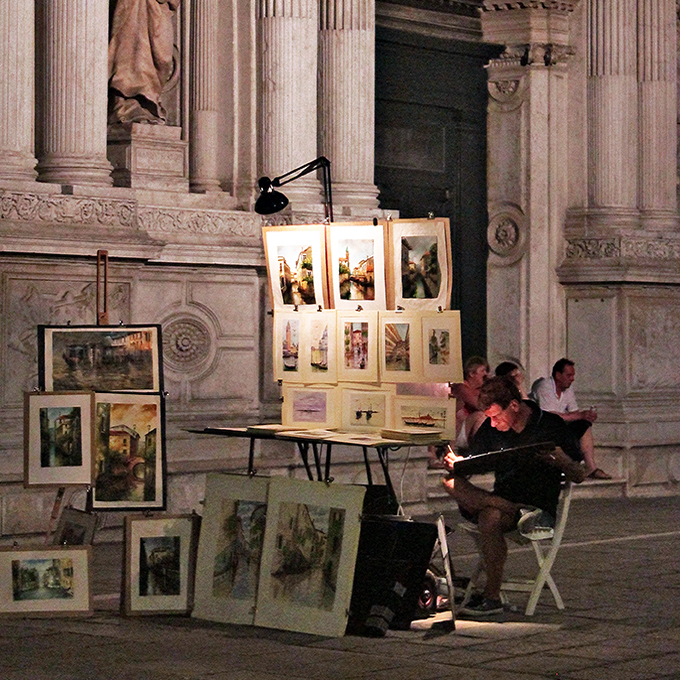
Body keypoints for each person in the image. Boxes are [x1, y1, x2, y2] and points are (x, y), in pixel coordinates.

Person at [442, 376, 585, 616]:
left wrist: (562, 460)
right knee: (449, 482)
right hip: (504, 502)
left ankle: (491, 597)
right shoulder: (492, 427)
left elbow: (580, 474)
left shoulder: (550, 425)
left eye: (497, 417)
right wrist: (457, 463)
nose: (494, 423)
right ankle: (507, 506)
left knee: (489, 517)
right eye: (489, 418)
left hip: (536, 510)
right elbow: (475, 463)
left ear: (515, 406)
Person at [532, 358, 611, 480]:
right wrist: (579, 415)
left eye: (573, 375)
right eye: (569, 375)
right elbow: (549, 417)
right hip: (544, 430)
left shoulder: (568, 389)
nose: (572, 379)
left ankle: (592, 468)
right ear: (558, 375)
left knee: (584, 425)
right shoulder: (545, 387)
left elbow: (574, 413)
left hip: (561, 426)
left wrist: (586, 416)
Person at [108, 0, 180, 124]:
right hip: (133, 6)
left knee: (162, 57)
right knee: (133, 48)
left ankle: (147, 101)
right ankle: (128, 103)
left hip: (159, 8)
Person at [449, 356, 489, 449]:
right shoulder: (461, 387)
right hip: (456, 433)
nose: (486, 374)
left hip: (465, 430)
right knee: (480, 416)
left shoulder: (478, 390)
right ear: (471, 373)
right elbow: (479, 406)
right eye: (482, 371)